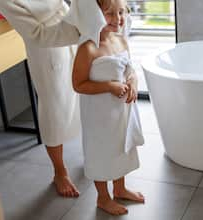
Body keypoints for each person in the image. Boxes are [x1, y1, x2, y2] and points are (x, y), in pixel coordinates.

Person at [0, 0, 81, 197]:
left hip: (73, 23)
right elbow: (36, 34)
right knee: (54, 106)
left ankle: (92, 151)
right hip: (48, 44)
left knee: (85, 93)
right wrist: (78, 30)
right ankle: (60, 172)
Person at [71, 0, 145, 215]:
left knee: (120, 147)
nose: (118, 19)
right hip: (99, 115)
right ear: (94, 14)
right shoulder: (89, 47)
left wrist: (133, 82)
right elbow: (78, 84)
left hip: (121, 112)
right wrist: (108, 86)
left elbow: (130, 69)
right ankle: (103, 198)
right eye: (110, 13)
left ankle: (120, 188)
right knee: (101, 153)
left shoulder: (120, 40)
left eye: (121, 12)